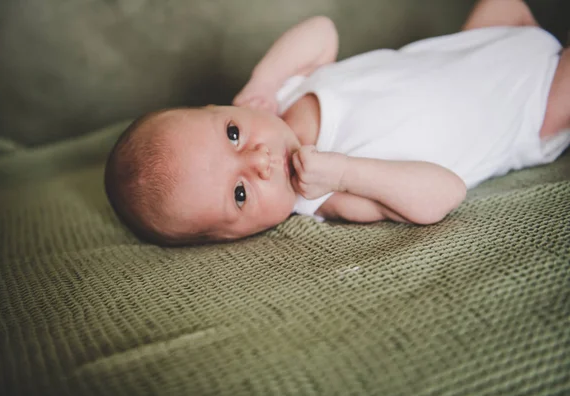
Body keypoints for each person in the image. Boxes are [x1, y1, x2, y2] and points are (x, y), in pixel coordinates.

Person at [104, 0, 570, 245]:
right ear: (235, 236)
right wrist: (345, 171)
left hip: (479, 48)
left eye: (232, 133)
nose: (259, 159)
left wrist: (263, 82)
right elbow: (446, 192)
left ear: (222, 108)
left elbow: (321, 30)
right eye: (241, 193)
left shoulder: (281, 96)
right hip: (528, 108)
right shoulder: (329, 196)